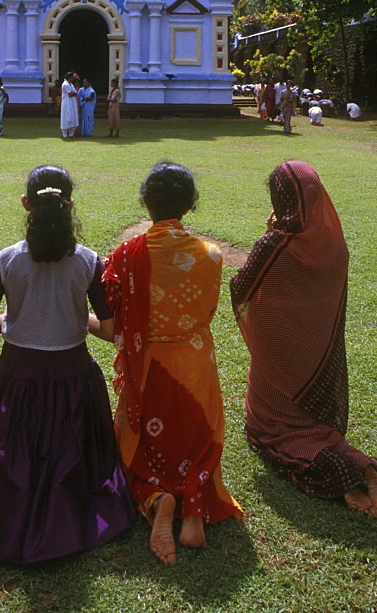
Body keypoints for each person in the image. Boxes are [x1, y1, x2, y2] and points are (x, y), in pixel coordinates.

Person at [0, 165, 135, 563]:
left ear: (26, 204)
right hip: (74, 377)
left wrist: (14, 320)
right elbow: (109, 331)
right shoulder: (91, 262)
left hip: (17, 378)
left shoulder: (4, 261)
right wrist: (76, 320)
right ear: (70, 206)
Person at [230, 161, 377, 519]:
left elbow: (241, 287)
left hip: (280, 352)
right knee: (318, 427)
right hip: (318, 350)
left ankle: (345, 476)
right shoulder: (334, 245)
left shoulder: (276, 244)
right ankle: (361, 465)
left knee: (268, 430)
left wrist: (269, 237)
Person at [101, 162, 243, 565]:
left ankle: (156, 497)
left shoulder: (127, 254)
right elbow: (210, 307)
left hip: (149, 369)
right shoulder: (212, 255)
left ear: (147, 202)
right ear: (189, 205)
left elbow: (113, 313)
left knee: (134, 448)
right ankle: (194, 507)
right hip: (196, 365)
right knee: (198, 439)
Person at [60, 71, 78, 139]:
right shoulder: (65, 84)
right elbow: (70, 94)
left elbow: (75, 92)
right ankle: (65, 134)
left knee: (73, 116)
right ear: (69, 78)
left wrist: (73, 93)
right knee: (66, 116)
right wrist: (73, 93)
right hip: (66, 103)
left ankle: (71, 134)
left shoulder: (71, 84)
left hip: (72, 102)